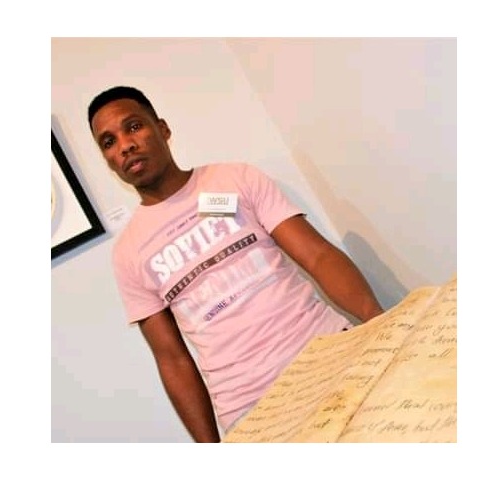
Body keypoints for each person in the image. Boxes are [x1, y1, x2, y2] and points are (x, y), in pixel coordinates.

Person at [87, 85, 385, 442]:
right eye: (109, 142)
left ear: (163, 128)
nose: (125, 145)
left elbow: (316, 255)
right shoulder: (128, 253)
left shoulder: (233, 180)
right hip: (252, 409)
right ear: (108, 160)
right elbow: (173, 359)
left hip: (331, 354)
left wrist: (382, 325)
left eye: (134, 126)